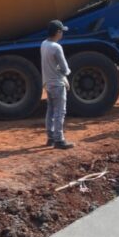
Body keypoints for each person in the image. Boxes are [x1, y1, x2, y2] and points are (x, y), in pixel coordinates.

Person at [40, 19, 74, 149]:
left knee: (50, 111)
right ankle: (59, 140)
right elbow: (64, 68)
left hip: (48, 83)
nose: (62, 34)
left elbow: (55, 64)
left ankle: (50, 138)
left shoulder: (44, 44)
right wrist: (66, 75)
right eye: (62, 32)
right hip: (58, 84)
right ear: (58, 32)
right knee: (60, 111)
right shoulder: (56, 47)